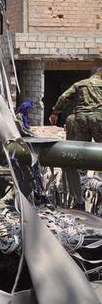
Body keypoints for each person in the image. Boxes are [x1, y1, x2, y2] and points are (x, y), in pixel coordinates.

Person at [49, 66, 102, 206]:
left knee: (81, 152)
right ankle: (99, 181)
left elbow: (63, 97)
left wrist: (55, 112)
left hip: (81, 119)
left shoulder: (80, 84)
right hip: (99, 118)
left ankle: (80, 188)